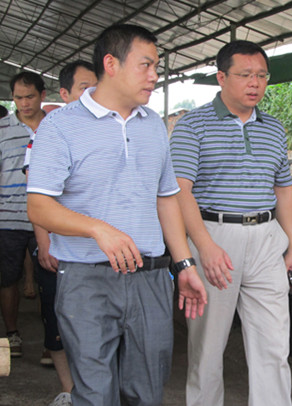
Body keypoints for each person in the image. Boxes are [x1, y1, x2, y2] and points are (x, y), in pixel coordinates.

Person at [26, 24, 207, 406]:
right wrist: (97, 229)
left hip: (150, 277)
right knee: (95, 394)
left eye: (156, 66)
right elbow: (39, 205)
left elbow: (166, 199)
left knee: (147, 392)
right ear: (111, 64)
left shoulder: (153, 125)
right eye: (145, 65)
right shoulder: (60, 126)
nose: (154, 75)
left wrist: (185, 263)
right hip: (86, 280)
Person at [170, 40, 292, 406]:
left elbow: (284, 190)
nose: (254, 83)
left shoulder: (273, 128)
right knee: (208, 346)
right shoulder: (192, 125)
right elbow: (180, 192)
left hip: (266, 239)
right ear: (221, 77)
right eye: (245, 75)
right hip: (214, 235)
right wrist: (205, 246)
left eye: (261, 75)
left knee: (274, 344)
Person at [23, 59, 97, 406]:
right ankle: (70, 391)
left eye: (97, 85)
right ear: (64, 94)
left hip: (103, 250)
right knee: (59, 321)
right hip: (61, 246)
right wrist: (44, 242)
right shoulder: (49, 132)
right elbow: (37, 197)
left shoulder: (117, 127)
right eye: (85, 87)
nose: (93, 93)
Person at [0, 71, 45, 359]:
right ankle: (12, 334)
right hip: (8, 218)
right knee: (8, 279)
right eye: (18, 98)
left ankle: (52, 340)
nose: (24, 103)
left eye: (30, 97)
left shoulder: (55, 126)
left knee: (49, 282)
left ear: (42, 95)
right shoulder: (2, 129)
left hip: (48, 219)